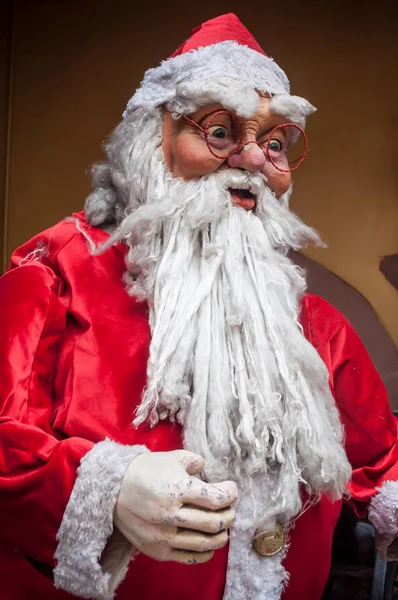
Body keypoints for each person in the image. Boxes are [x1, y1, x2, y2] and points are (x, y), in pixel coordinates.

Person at [0, 13, 397, 600]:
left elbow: (380, 456)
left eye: (276, 143)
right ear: (149, 141)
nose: (254, 160)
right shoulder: (57, 272)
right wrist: (105, 489)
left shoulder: (317, 324)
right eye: (218, 132)